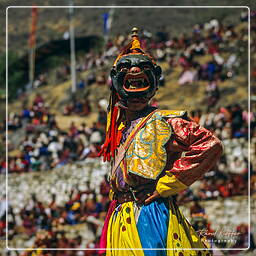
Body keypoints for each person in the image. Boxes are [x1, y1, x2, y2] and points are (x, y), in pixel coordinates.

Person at [99, 27, 223, 256]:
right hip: (121, 216)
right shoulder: (118, 130)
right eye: (126, 68)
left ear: (154, 79)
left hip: (150, 212)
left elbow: (210, 145)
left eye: (142, 68)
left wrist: (167, 184)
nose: (134, 70)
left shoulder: (165, 121)